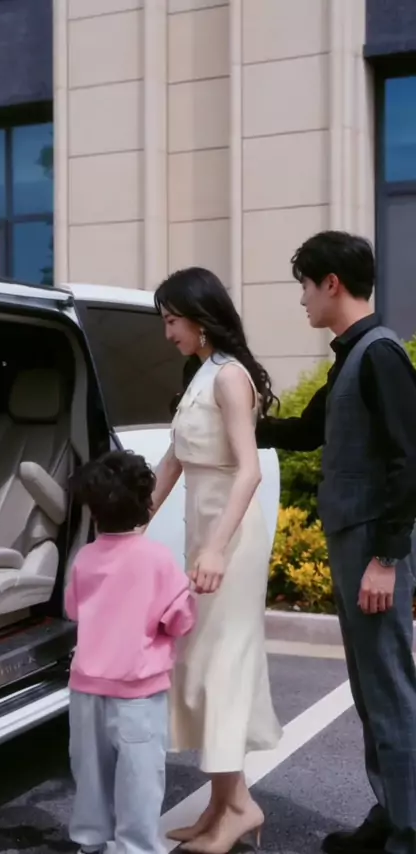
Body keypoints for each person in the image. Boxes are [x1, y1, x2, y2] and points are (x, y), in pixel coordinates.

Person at [257, 231, 416, 854]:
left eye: (305, 285)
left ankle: (409, 830)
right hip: (356, 545)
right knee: (370, 688)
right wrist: (235, 418)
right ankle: (392, 811)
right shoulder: (351, 356)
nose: (301, 299)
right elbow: (306, 430)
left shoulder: (380, 355)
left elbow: (409, 462)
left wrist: (386, 559)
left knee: (390, 689)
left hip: (374, 549)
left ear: (331, 283)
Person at [151, 267, 282, 854]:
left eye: (172, 321)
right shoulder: (201, 373)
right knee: (201, 667)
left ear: (200, 319)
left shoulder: (229, 377)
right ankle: (225, 805)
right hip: (204, 535)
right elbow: (172, 462)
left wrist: (214, 548)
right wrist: (131, 525)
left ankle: (238, 808)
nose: (168, 333)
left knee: (219, 668)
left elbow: (248, 471)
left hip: (230, 541)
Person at [65, 450, 196, 854]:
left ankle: (90, 840)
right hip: (138, 691)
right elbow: (179, 619)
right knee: (139, 778)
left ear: (94, 511)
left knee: (90, 773)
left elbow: (73, 609)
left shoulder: (85, 557)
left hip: (86, 687)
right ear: (144, 504)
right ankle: (135, 847)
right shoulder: (157, 559)